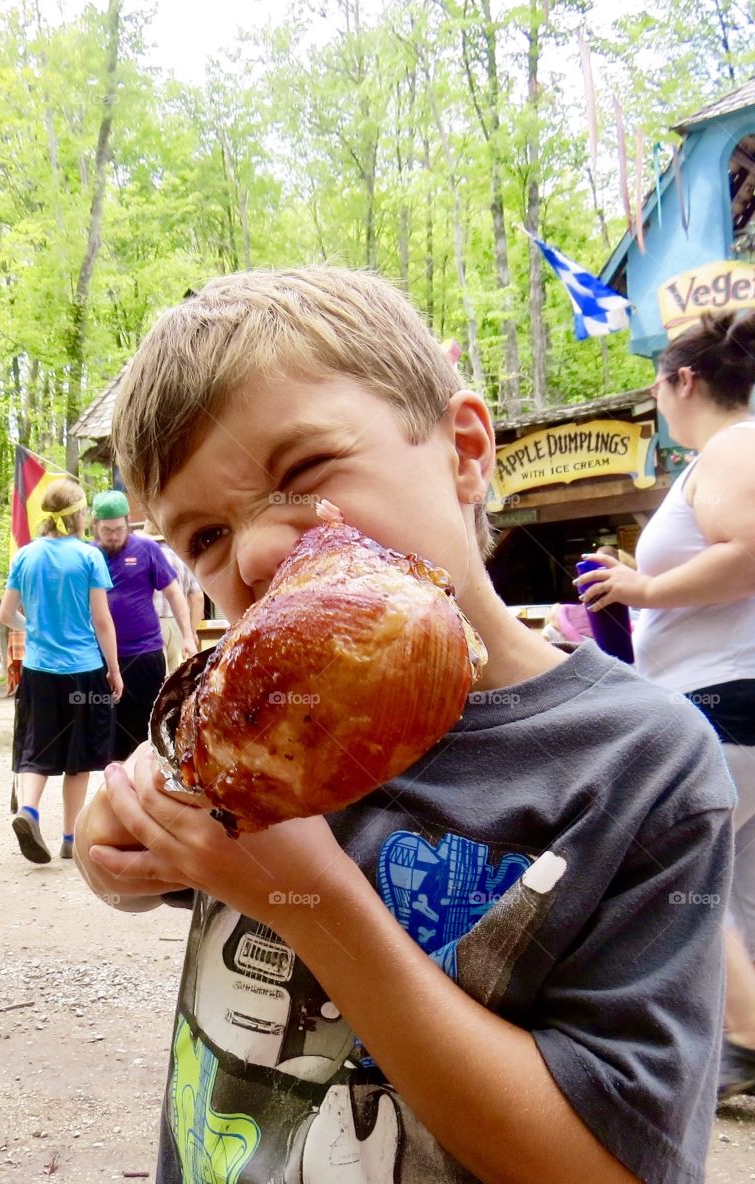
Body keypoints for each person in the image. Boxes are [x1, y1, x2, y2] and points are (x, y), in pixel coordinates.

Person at [74, 267, 733, 1184]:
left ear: (465, 451)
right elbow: (126, 852)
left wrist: (309, 898)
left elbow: (608, 1167)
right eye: (206, 540)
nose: (260, 552)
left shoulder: (640, 766)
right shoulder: (259, 731)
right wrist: (113, 842)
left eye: (301, 473)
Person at [575, 309, 755, 1101]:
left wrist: (642, 586)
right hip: (731, 697)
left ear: (685, 379)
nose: (656, 397)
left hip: (723, 701)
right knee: (732, 883)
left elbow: (748, 550)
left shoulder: (731, 446)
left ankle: (744, 1043)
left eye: (657, 381)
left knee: (665, 864)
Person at [0, 478, 122, 864]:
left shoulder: (25, 555)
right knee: (79, 758)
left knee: (37, 749)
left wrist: (32, 628)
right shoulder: (88, 557)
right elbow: (102, 621)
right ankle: (70, 837)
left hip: (38, 670)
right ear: (78, 515)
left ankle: (29, 811)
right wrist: (114, 669)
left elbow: (5, 615)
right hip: (84, 670)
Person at [92, 491, 198, 760]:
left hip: (145, 653)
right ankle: (115, 784)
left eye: (118, 529)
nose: (114, 536)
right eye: (107, 530)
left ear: (128, 522)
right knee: (109, 732)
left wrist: (188, 634)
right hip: (101, 656)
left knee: (145, 729)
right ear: (95, 526)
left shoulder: (147, 549)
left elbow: (175, 593)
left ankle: (144, 783)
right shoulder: (88, 555)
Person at [142, 519, 206, 674]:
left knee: (157, 680)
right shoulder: (182, 559)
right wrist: (190, 632)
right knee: (176, 679)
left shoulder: (143, 557)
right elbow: (198, 598)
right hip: (178, 625)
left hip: (152, 627)